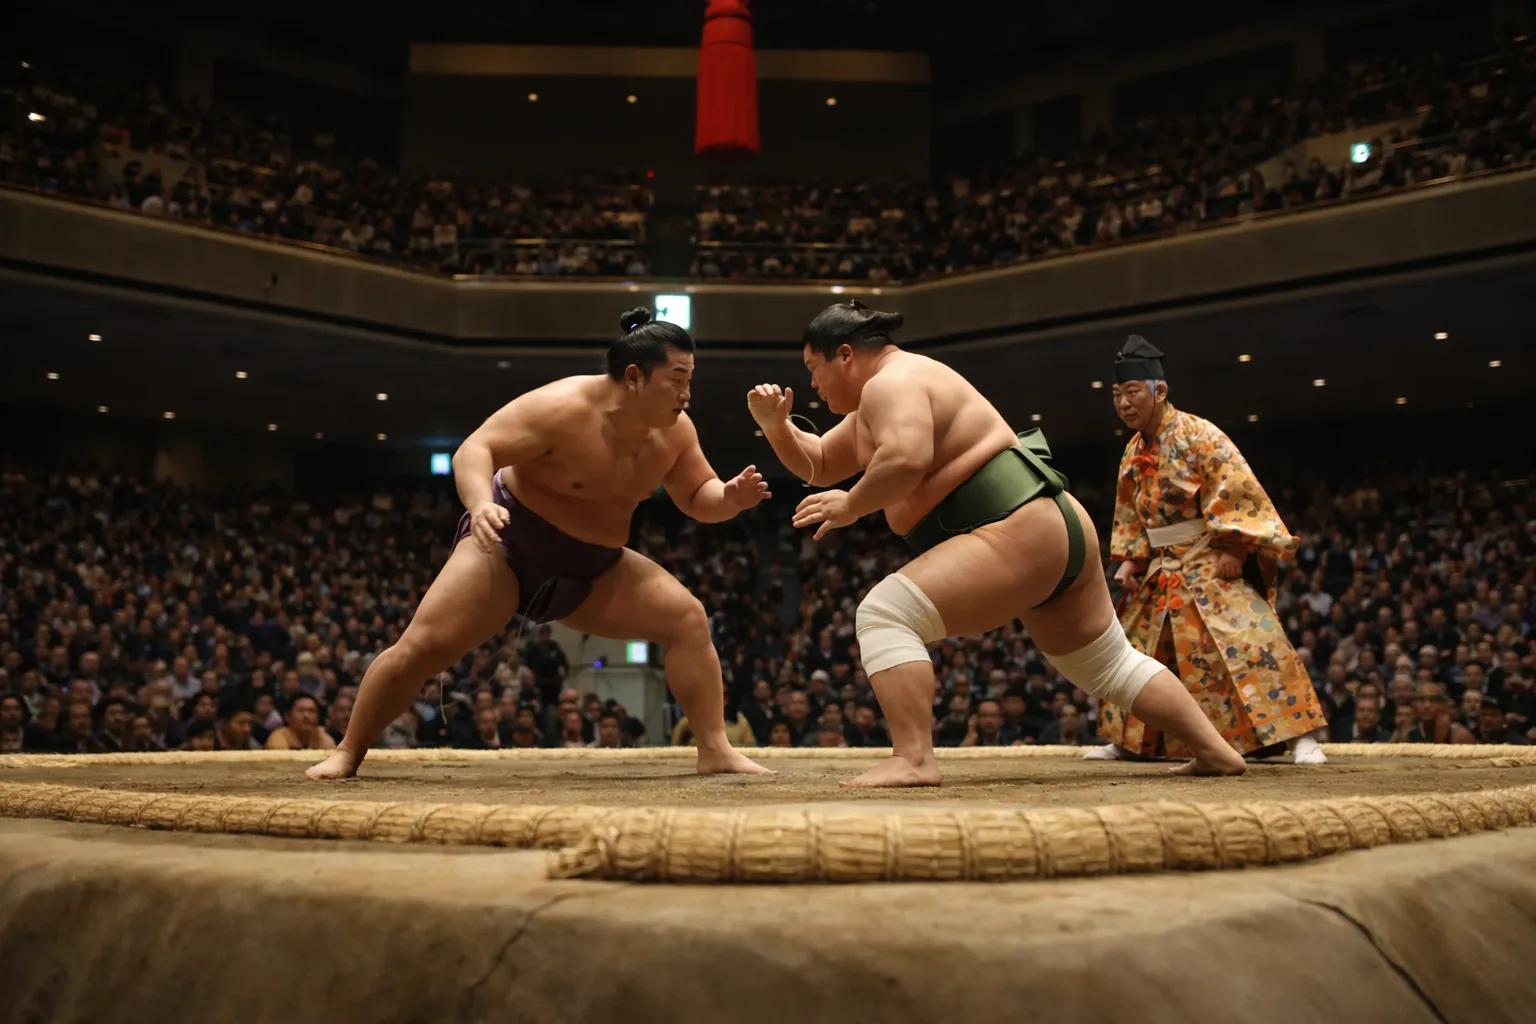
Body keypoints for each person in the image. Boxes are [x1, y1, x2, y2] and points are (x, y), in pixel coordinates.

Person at [748, 301, 1245, 786]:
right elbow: (818, 463)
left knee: (883, 614)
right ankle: (1215, 750)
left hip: (1013, 526)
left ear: (846, 355)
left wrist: (852, 506)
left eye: (814, 368)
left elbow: (905, 459)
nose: (812, 383)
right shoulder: (892, 391)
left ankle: (915, 759)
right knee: (1108, 663)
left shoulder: (891, 383)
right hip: (1051, 523)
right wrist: (776, 426)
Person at [309, 308, 771, 779]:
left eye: (689, 379)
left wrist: (730, 497)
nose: (686, 394)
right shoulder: (562, 408)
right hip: (507, 550)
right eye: (677, 379)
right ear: (634, 376)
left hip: (595, 569)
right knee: (421, 648)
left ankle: (714, 748)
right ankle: (349, 750)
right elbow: (476, 448)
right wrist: (479, 503)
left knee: (688, 619)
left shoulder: (676, 433)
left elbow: (697, 497)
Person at [1093, 336, 1329, 765]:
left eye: (1132, 393)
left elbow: (1235, 487)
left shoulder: (1200, 434)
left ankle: (1302, 736)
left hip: (1208, 554)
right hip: (1160, 564)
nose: (1123, 404)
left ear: (1159, 392)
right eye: (1116, 396)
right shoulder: (1132, 452)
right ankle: (1132, 741)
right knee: (1141, 650)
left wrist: (1235, 547)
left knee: (1250, 638)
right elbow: (1130, 510)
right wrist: (1131, 558)